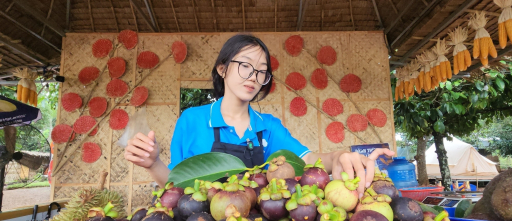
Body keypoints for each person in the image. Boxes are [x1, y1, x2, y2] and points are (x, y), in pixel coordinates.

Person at [124, 34, 394, 197]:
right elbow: (176, 184)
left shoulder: (268, 128)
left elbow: (310, 160)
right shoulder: (192, 121)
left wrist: (339, 157)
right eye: (245, 66)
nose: (253, 77)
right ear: (222, 69)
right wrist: (153, 163)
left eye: (261, 71)